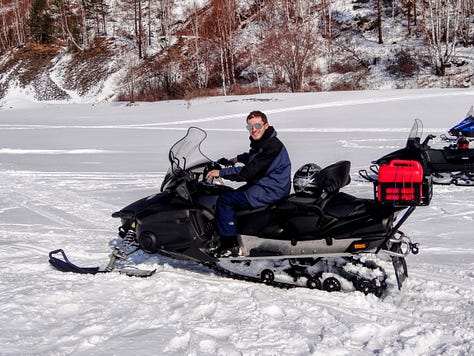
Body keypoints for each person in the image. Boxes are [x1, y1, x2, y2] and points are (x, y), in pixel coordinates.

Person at [205, 110, 291, 256]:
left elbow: (248, 173)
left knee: (225, 200)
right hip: (266, 185)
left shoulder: (272, 146)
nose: (254, 130)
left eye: (257, 125)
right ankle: (236, 231)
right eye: (250, 127)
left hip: (270, 190)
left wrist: (220, 173)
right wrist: (237, 159)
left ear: (266, 125)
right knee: (228, 193)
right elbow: (255, 156)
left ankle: (229, 244)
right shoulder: (265, 141)